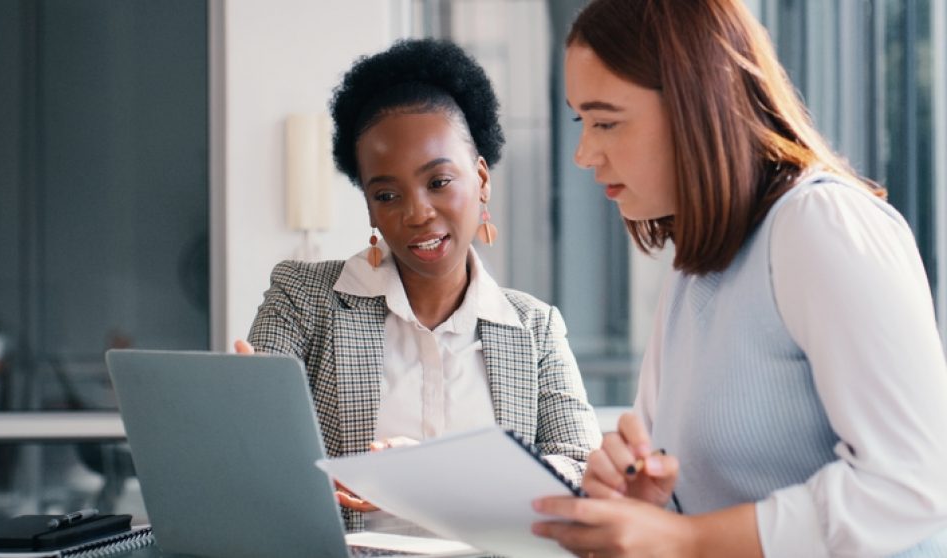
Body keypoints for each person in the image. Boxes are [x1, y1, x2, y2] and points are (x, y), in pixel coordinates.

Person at [530, 0, 947, 556]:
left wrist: (686, 539)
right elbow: (702, 488)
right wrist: (649, 500)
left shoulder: (819, 226)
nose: (583, 154)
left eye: (606, 121)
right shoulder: (695, 268)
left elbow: (913, 483)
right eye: (582, 121)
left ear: (697, 104)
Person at [238, 38, 601, 531]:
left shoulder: (536, 328)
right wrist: (244, 420)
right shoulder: (303, 298)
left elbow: (581, 471)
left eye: (438, 182)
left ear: (481, 179)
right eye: (387, 193)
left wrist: (444, 473)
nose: (416, 213)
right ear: (369, 206)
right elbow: (256, 461)